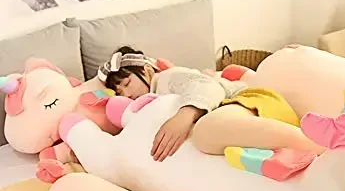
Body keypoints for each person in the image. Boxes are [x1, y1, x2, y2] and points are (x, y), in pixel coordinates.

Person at [98, 46, 324, 162]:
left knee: (205, 133)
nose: (126, 94)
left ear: (147, 70)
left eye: (127, 83)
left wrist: (185, 115)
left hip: (251, 102)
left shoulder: (166, 78)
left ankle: (320, 147)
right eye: (119, 92)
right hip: (243, 115)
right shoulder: (148, 103)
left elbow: (208, 86)